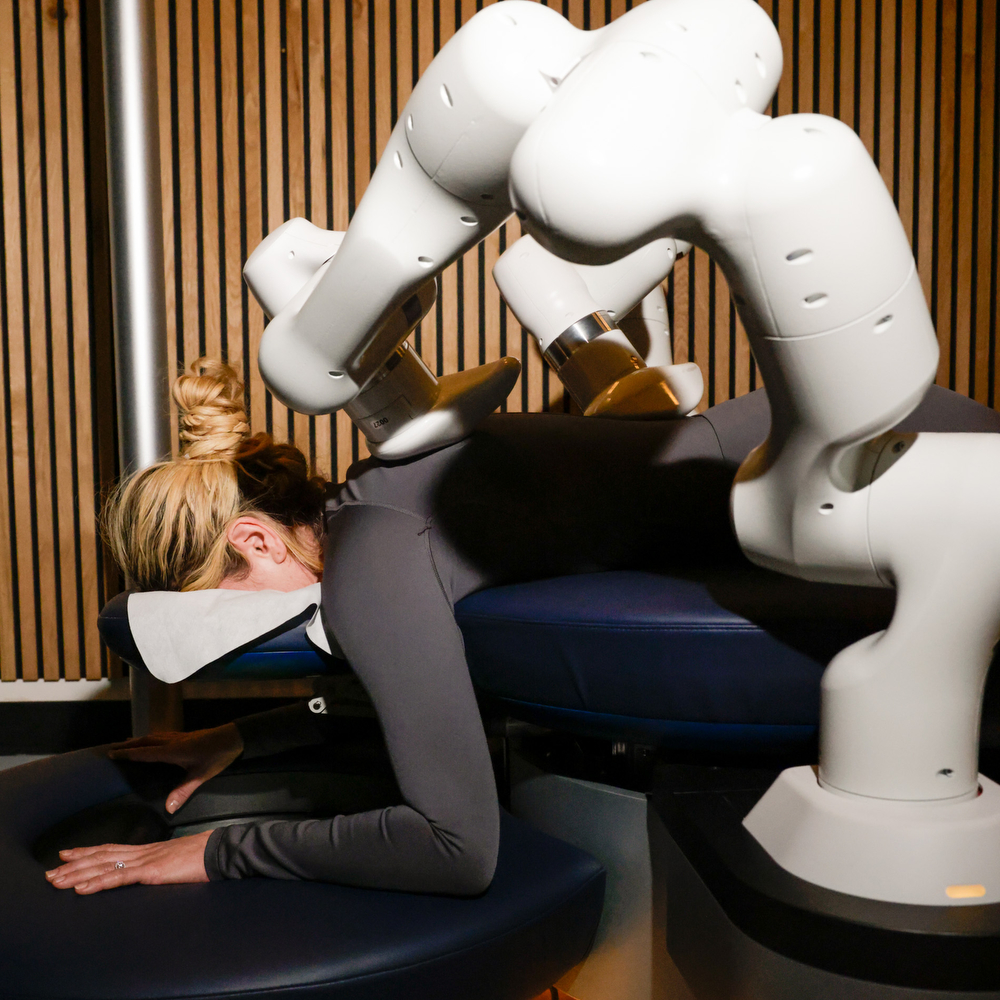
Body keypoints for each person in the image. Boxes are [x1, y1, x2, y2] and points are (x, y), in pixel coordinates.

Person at [45, 357, 761, 897]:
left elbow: (455, 848)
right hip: (762, 450)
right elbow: (406, 687)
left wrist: (211, 852)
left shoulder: (371, 561)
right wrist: (240, 737)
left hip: (798, 478)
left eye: (224, 606)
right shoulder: (370, 508)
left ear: (257, 540)